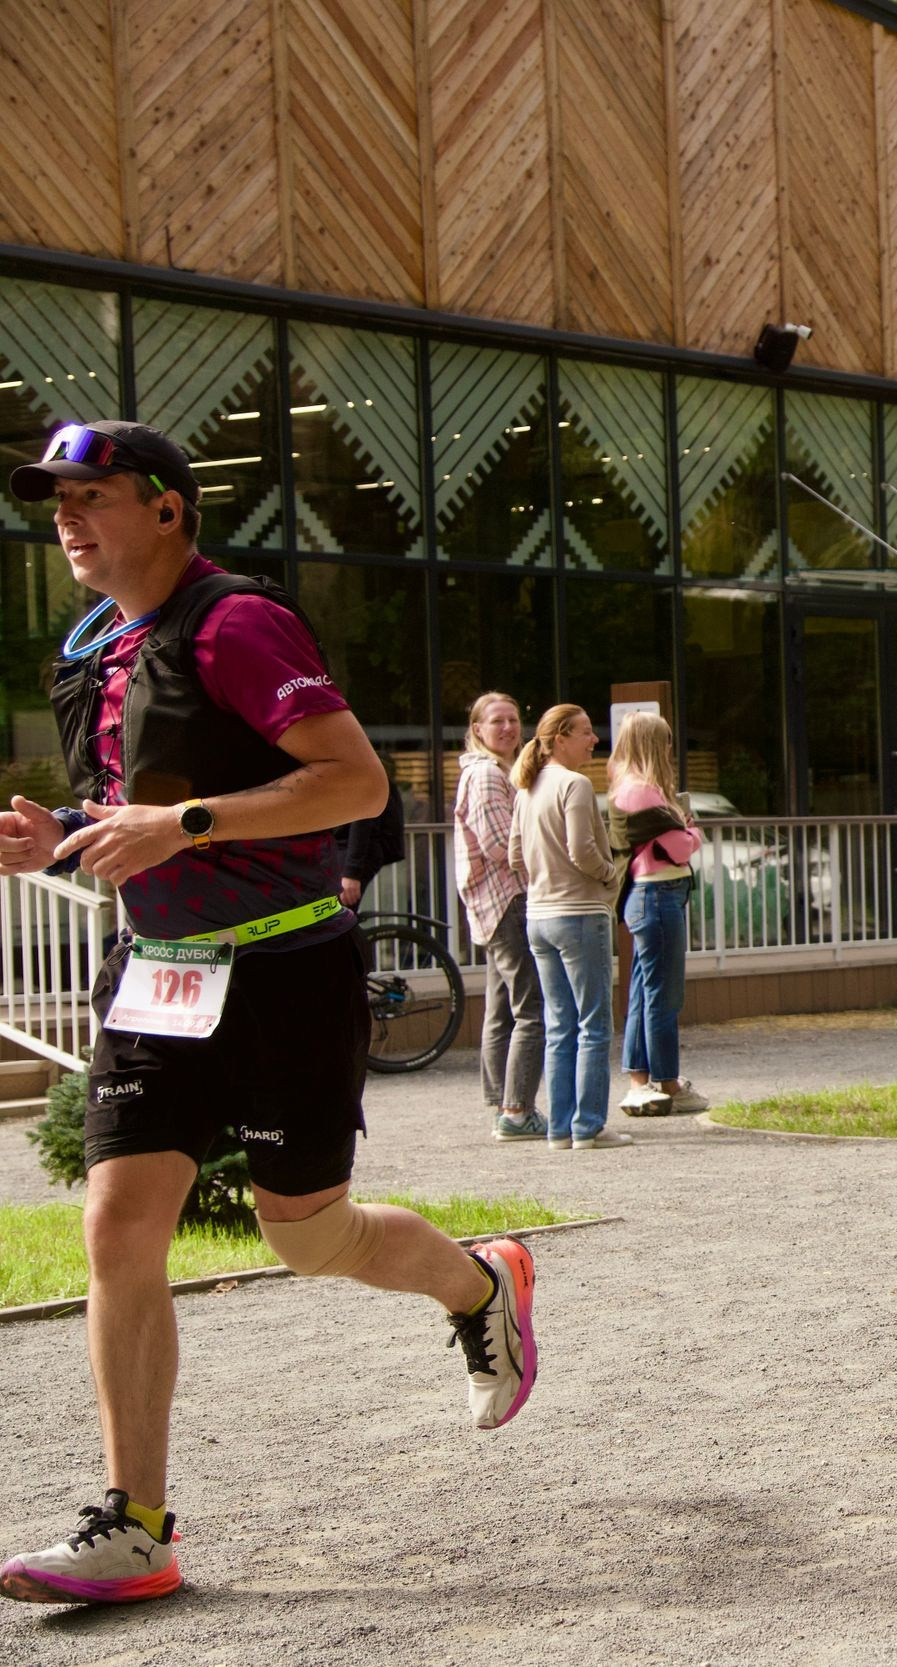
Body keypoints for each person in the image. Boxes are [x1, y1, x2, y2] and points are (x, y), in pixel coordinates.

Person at [0, 421, 537, 1607]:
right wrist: (62, 835)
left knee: (306, 1234)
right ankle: (136, 1525)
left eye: (93, 496)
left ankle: (481, 1282)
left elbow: (347, 782)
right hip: (156, 972)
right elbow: (126, 807)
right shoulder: (95, 643)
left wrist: (185, 821)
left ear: (169, 510)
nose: (70, 521)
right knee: (117, 1226)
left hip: (287, 970)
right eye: (56, 502)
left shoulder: (236, 622)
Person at [509, 704, 627, 1148]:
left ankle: (560, 1128)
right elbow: (582, 850)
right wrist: (609, 874)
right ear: (559, 738)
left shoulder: (527, 786)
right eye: (585, 732)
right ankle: (588, 1126)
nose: (594, 740)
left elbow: (514, 856)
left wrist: (542, 881)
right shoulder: (574, 784)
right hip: (579, 913)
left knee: (559, 1025)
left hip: (538, 916)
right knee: (594, 1025)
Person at [453, 692, 545, 1142]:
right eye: (497, 722)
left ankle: (501, 1103)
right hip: (508, 900)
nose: (508, 728)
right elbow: (499, 845)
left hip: (494, 904)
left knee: (501, 1010)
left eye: (513, 720)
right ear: (477, 730)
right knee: (531, 1009)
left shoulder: (492, 771)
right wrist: (545, 865)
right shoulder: (488, 775)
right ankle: (516, 1110)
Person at [608, 711, 708, 1116]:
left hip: (647, 898)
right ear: (652, 744)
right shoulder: (644, 793)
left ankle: (639, 1081)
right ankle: (667, 1081)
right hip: (658, 895)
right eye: (664, 741)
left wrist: (684, 828)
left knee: (643, 992)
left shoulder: (625, 787)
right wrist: (691, 828)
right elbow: (684, 846)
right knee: (664, 995)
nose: (669, 749)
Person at [335, 775, 405, 910]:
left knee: (338, 916)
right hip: (344, 848)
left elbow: (362, 821)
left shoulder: (358, 771)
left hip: (357, 849)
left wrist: (351, 872)